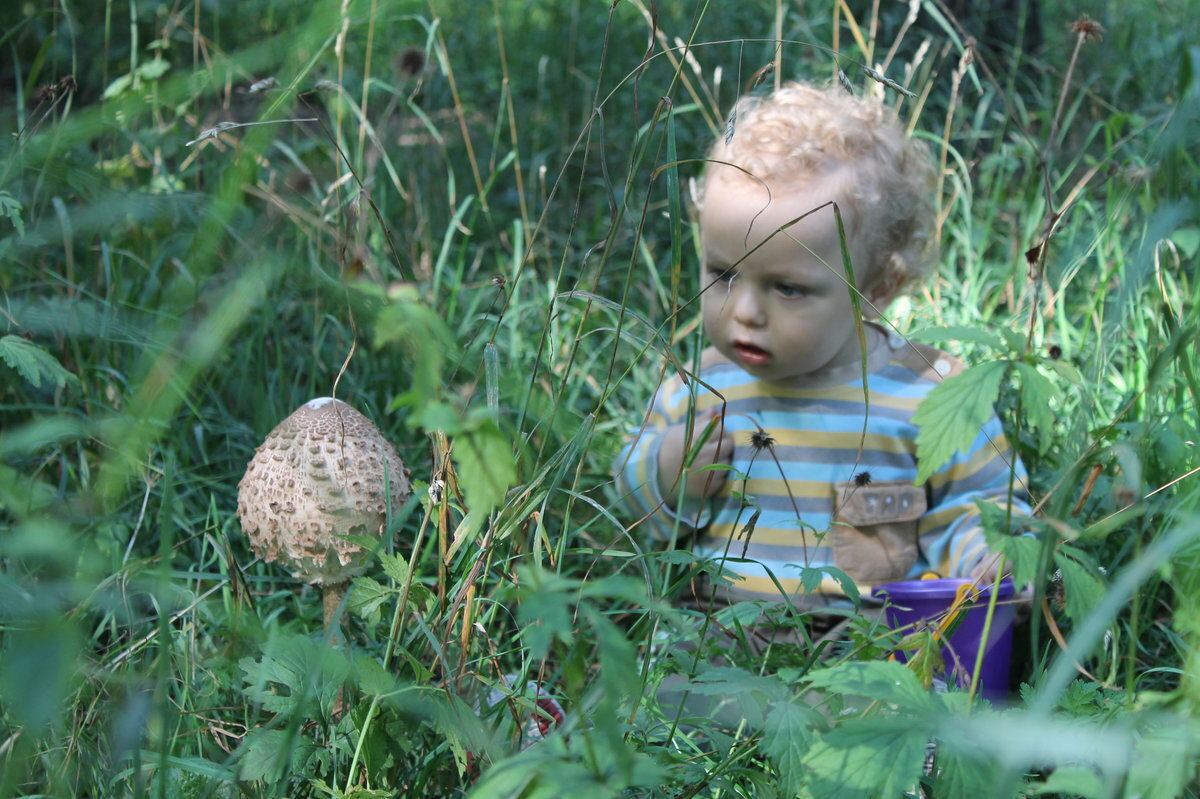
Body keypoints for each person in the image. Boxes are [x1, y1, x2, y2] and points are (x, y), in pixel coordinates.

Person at [614, 81, 1031, 637]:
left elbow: (980, 501)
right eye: (723, 274)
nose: (744, 312)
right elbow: (631, 495)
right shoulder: (705, 387)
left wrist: (990, 556)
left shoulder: (930, 394)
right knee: (650, 706)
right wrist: (669, 473)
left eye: (787, 288)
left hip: (868, 651)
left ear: (876, 285)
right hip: (718, 644)